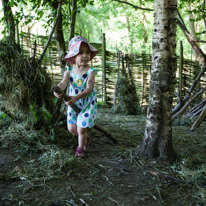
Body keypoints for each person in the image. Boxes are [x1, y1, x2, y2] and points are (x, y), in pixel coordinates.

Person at [54, 36, 98, 157]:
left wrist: (75, 99)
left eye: (87, 52)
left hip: (87, 103)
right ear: (73, 56)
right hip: (72, 102)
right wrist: (58, 90)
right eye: (80, 52)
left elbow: (89, 89)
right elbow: (63, 82)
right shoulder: (69, 70)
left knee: (80, 128)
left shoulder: (91, 71)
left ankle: (80, 148)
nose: (85, 55)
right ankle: (86, 138)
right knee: (72, 128)